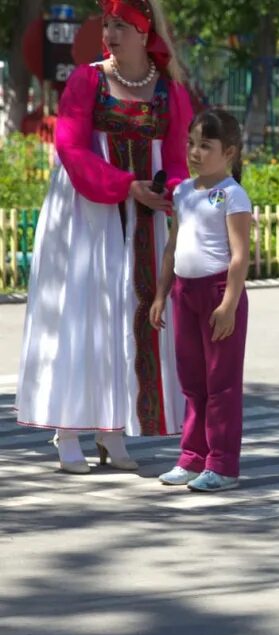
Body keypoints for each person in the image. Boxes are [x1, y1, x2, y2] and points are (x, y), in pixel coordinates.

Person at [17, 0, 191, 472]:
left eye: (122, 25)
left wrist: (170, 192)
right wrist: (123, 186)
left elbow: (179, 155)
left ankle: (114, 428)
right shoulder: (86, 80)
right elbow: (70, 147)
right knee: (85, 312)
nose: (111, 34)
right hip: (90, 212)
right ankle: (68, 428)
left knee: (129, 318)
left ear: (143, 30)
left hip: (145, 216)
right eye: (108, 25)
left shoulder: (169, 89)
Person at [149, 109, 251, 492]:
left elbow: (239, 255)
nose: (194, 152)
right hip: (184, 293)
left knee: (221, 384)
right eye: (191, 143)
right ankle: (191, 457)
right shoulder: (183, 192)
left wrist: (228, 303)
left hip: (218, 293)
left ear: (229, 152)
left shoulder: (233, 195)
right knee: (192, 381)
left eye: (204, 146)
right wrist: (161, 294)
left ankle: (223, 465)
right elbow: (172, 246)